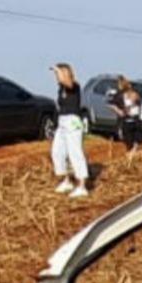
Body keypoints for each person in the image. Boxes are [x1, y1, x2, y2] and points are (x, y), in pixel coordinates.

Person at [49, 63, 90, 198]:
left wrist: (58, 70)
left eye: (58, 73)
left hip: (73, 121)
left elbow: (67, 83)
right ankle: (66, 181)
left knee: (75, 153)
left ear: (66, 73)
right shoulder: (60, 88)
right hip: (62, 122)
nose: (56, 76)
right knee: (57, 152)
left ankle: (82, 185)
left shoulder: (74, 86)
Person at [115, 75, 142, 156]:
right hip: (130, 122)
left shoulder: (132, 95)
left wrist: (125, 109)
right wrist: (120, 111)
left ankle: (132, 155)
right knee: (133, 146)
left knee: (134, 146)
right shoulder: (122, 95)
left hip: (133, 122)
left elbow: (136, 102)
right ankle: (132, 156)